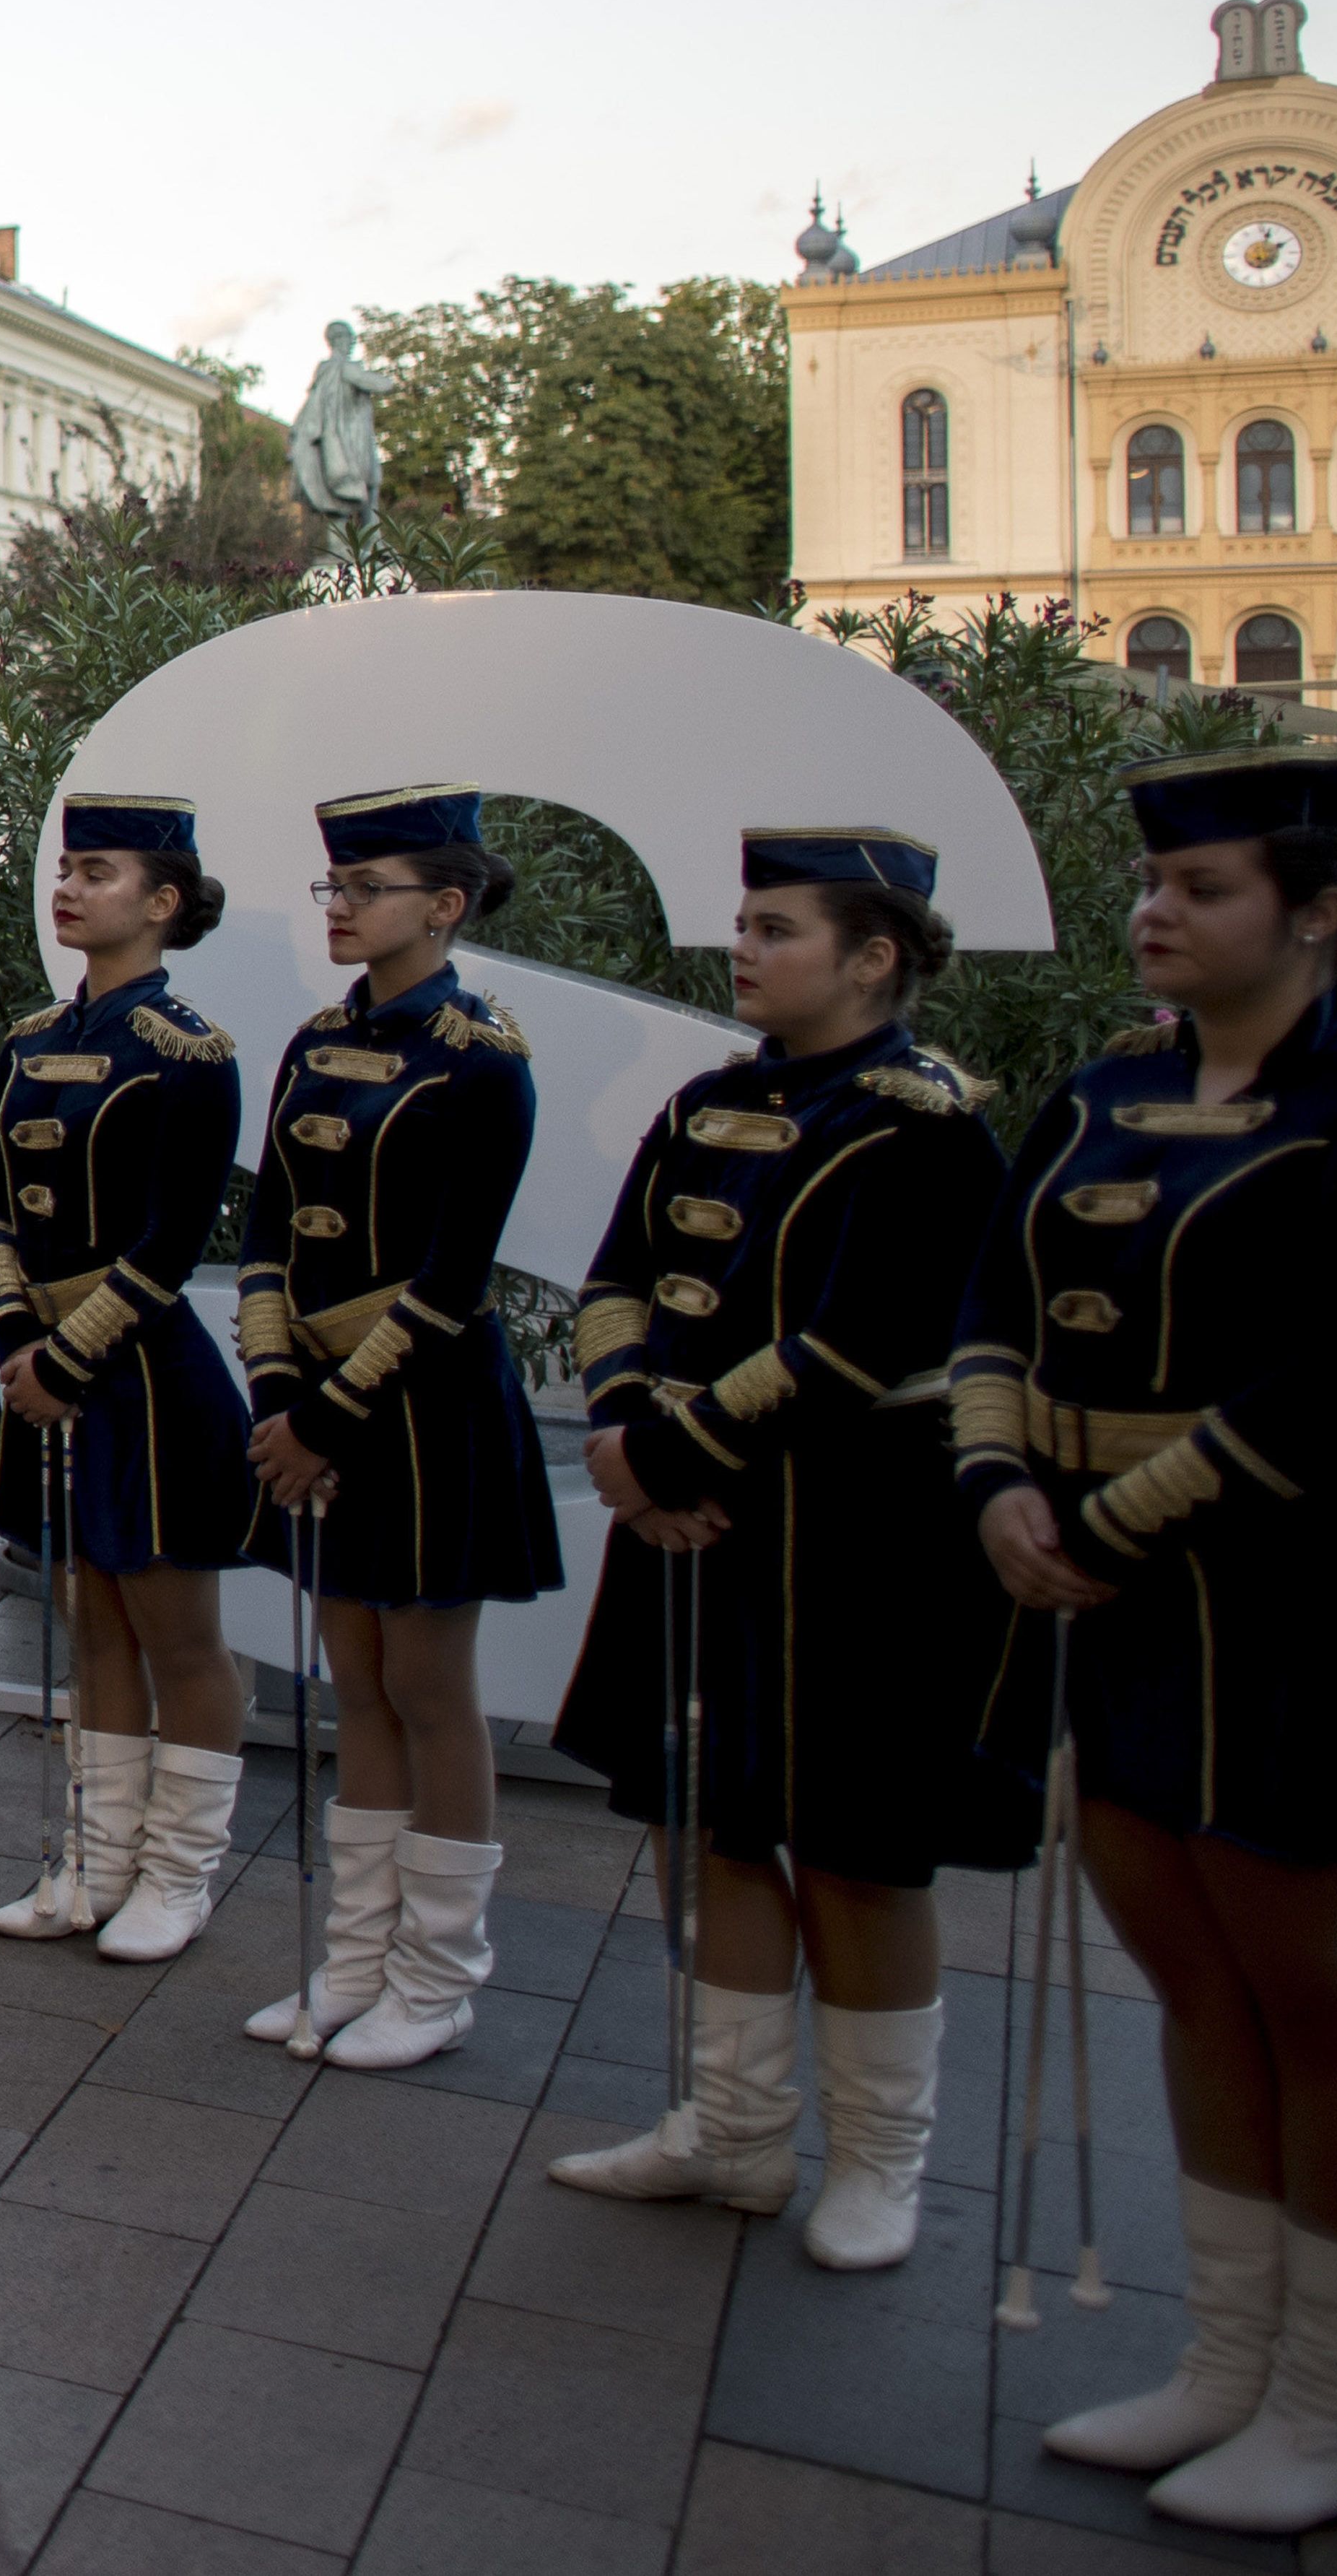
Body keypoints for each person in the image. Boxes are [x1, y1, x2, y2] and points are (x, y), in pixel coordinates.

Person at [969, 744, 1337, 2535]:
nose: (1154, 914)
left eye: (1200, 889)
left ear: (1313, 913)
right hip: (1109, 1585)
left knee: (1324, 1997)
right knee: (1187, 1971)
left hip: (1304, 1594)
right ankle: (1227, 2363)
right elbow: (992, 1295)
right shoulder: (1097, 1092)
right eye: (1150, 887)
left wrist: (1098, 1523)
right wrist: (993, 1478)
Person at [543, 828, 1021, 2273]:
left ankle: (882, 2160)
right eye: (743, 922)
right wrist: (625, 1425)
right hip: (693, 1507)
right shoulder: (711, 1101)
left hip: (857, 1533)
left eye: (779, 927)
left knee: (862, 1850)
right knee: (720, 1819)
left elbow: (858, 1340)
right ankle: (735, 2128)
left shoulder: (925, 1128)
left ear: (875, 955)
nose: (744, 947)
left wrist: (667, 1453)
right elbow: (622, 1276)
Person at [238, 783, 558, 2071]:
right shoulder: (317, 1039)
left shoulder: (484, 1057)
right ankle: (354, 1960)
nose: (343, 907)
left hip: (420, 1405)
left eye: (366, 889)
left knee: (430, 1684)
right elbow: (265, 1231)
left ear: (445, 903)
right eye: (335, 887)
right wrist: (273, 1393)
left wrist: (325, 1413)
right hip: (310, 1396)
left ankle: (439, 1973)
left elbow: (449, 1273)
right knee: (354, 1678)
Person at [0, 796, 266, 1959]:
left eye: (97, 871)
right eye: (67, 868)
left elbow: (168, 1244)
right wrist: (8, 1337)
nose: (71, 887)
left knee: (176, 1631)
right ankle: (95, 1858)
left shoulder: (187, 1056)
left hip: (140, 1378)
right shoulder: (34, 1041)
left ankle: (178, 1874)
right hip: (42, 1367)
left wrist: (67, 1354)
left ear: (162, 902)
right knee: (89, 1618)